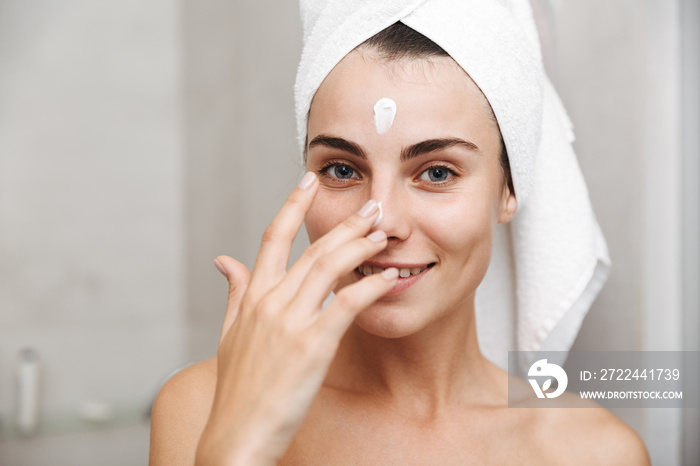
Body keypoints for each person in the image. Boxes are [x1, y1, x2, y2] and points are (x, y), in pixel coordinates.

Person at [149, 5, 650, 465]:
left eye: (437, 173)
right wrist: (239, 443)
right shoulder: (204, 408)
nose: (382, 221)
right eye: (342, 169)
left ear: (508, 190)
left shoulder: (591, 451)